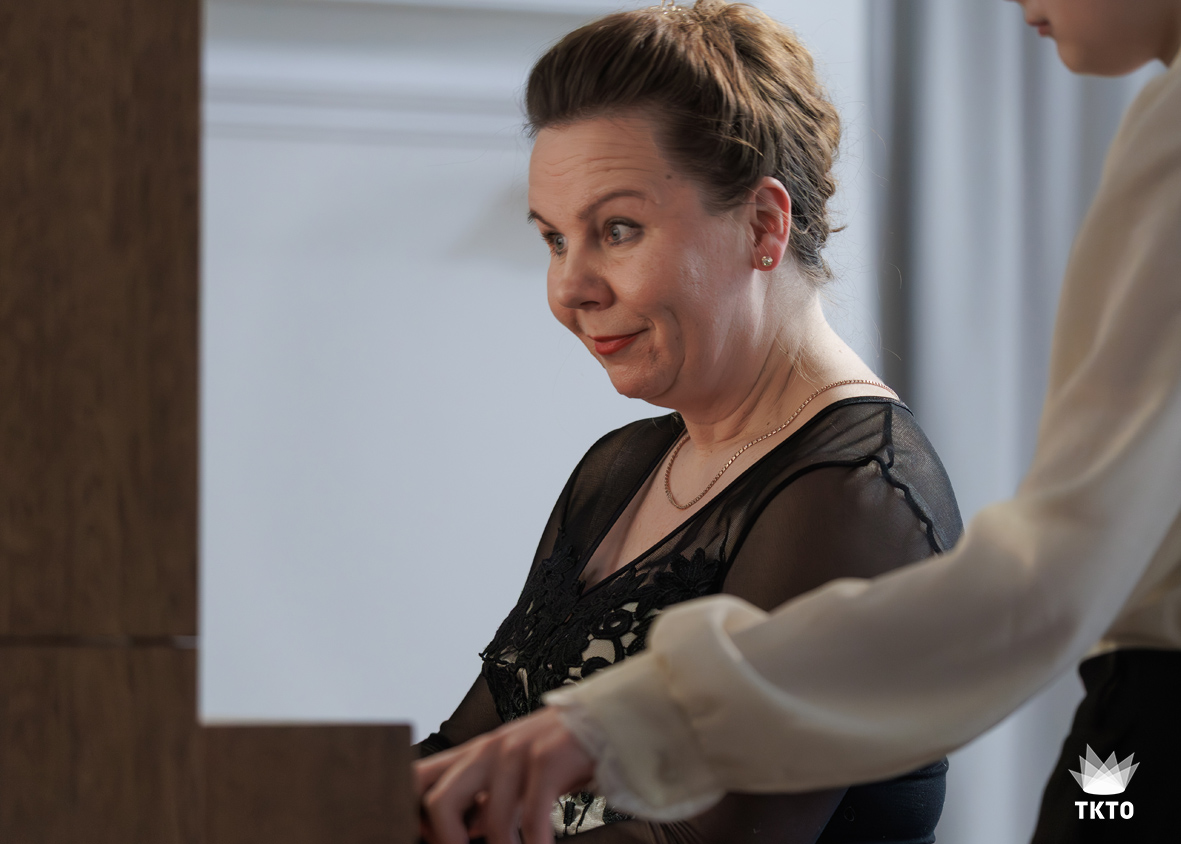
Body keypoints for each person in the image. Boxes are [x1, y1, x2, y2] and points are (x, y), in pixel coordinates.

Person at [415, 0, 1181, 842]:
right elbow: (466, 757)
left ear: (764, 225)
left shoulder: (854, 490)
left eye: (619, 230)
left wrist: (617, 725)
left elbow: (1047, 581)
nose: (569, 289)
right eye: (553, 241)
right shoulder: (619, 466)